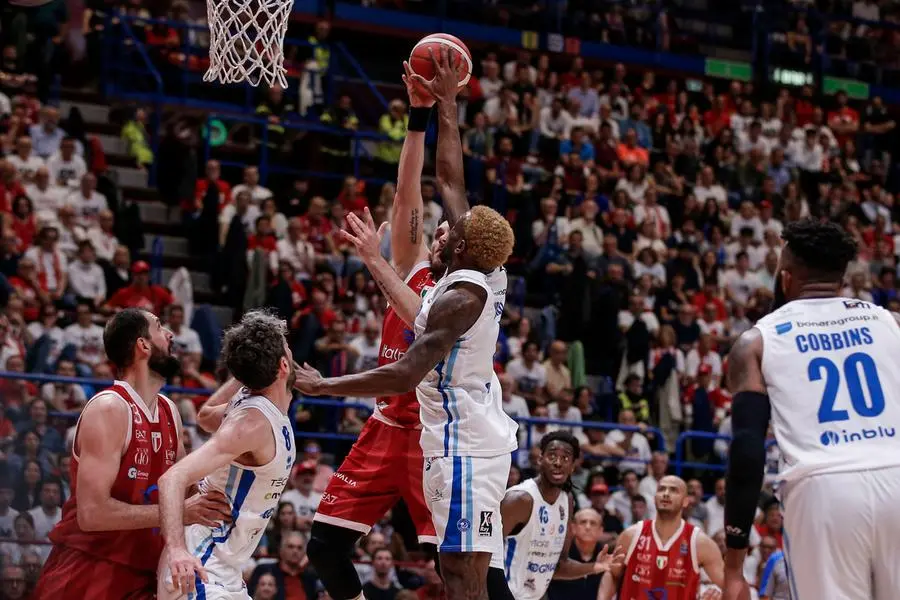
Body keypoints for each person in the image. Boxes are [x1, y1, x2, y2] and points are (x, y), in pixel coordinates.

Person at [305, 45, 511, 600]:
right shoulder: (427, 267)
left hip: (438, 436)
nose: (439, 230)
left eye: (449, 233)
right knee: (323, 549)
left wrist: (324, 384)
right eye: (437, 230)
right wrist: (425, 111)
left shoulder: (458, 294)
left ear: (464, 249)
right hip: (386, 428)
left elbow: (407, 369)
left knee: (469, 574)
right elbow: (422, 188)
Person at [723, 218, 900, 600]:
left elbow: (748, 451)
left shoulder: (756, 341)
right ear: (841, 279)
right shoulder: (892, 323)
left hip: (822, 489)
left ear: (785, 279)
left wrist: (734, 564)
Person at [33, 308, 230, 600]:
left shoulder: (169, 410)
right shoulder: (109, 408)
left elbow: (188, 492)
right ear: (143, 345)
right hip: (88, 572)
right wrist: (179, 513)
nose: (171, 334)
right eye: (160, 327)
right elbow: (92, 514)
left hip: (143, 577)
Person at [157, 311, 297, 599]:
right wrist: (176, 550)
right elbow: (172, 478)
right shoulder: (250, 423)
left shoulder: (255, 402)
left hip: (227, 571)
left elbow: (206, 416)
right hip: (200, 565)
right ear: (283, 365)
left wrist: (246, 364)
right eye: (287, 349)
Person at [486, 431, 622, 600]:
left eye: (565, 458)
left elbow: (558, 567)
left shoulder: (567, 500)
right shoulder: (520, 499)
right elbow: (483, 556)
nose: (558, 462)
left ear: (573, 465)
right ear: (540, 459)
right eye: (552, 456)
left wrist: (595, 566)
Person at [598, 476, 724, 600]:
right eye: (661, 489)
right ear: (654, 498)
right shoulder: (631, 535)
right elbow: (613, 574)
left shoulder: (700, 543)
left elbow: (732, 586)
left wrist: (719, 593)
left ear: (685, 501)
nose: (666, 494)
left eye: (673, 490)